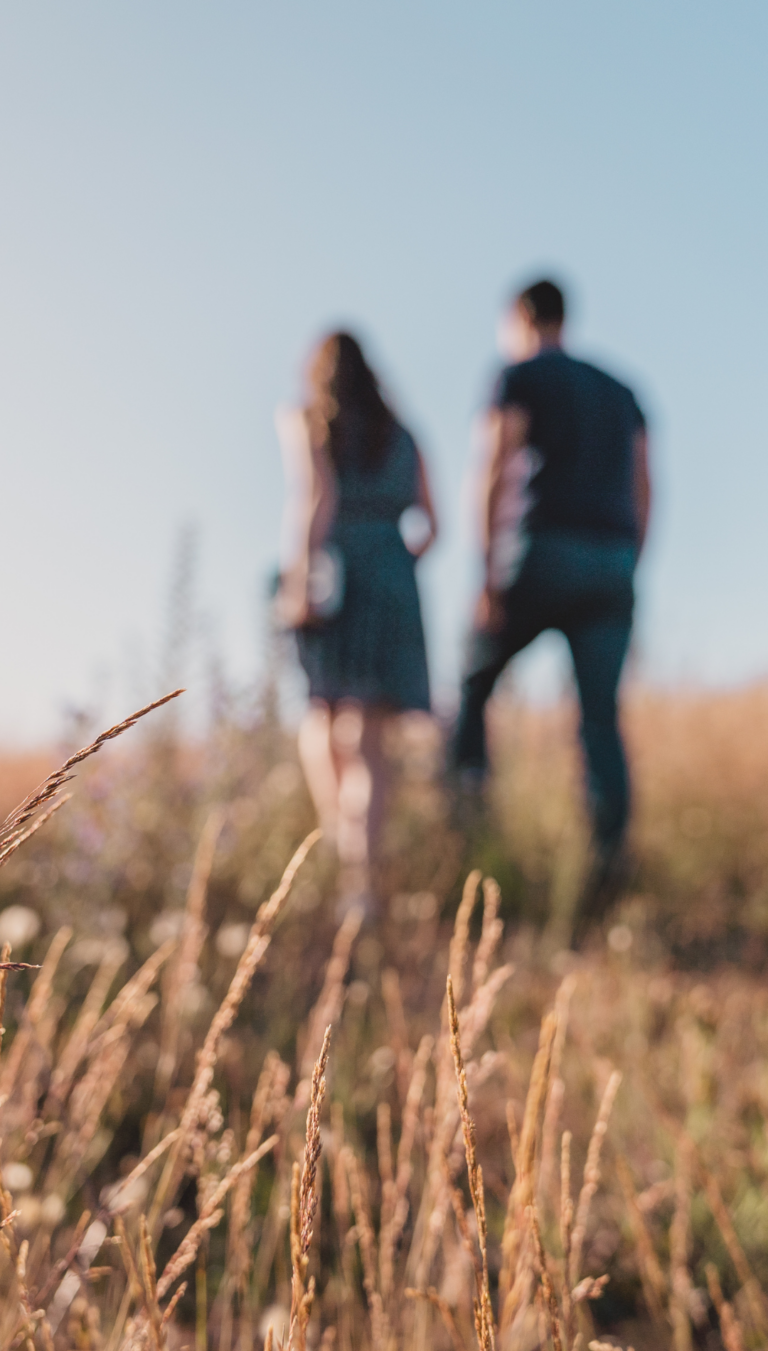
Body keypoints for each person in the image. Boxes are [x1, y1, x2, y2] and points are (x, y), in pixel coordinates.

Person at [453, 279, 651, 939]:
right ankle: (608, 860)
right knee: (600, 717)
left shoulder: (518, 374)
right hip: (613, 559)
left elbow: (493, 465)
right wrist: (631, 564)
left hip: (544, 550)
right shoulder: (622, 391)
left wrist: (485, 572)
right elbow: (645, 484)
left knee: (474, 681)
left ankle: (469, 829)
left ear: (522, 318)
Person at [277, 331, 437, 905]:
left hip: (335, 575)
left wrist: (299, 580)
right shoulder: (405, 434)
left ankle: (346, 866)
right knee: (369, 741)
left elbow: (314, 497)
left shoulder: (307, 419)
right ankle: (362, 885)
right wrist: (393, 565)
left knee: (322, 716)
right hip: (394, 577)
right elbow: (432, 525)